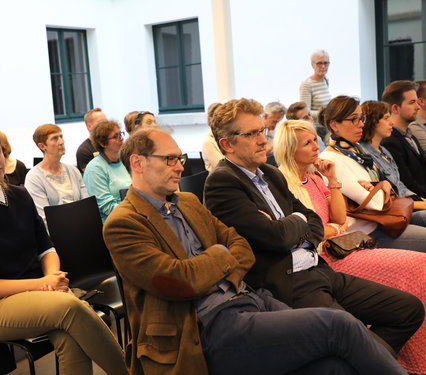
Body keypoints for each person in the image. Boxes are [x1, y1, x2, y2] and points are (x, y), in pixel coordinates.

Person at [103, 127, 409, 375]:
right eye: (169, 159)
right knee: (339, 326)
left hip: (251, 299)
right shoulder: (124, 223)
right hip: (202, 329)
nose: (180, 166)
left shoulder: (188, 203)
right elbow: (180, 281)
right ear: (138, 163)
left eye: (179, 157)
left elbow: (242, 249)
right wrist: (221, 255)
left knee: (335, 366)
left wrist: (215, 260)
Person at [204, 98, 423, 357]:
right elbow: (276, 237)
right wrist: (296, 222)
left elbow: (315, 221)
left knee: (409, 309)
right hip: (288, 281)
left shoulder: (269, 174)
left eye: (262, 131)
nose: (263, 140)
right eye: (251, 134)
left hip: (319, 268)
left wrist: (293, 222)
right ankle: (365, 357)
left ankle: (361, 359)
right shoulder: (222, 183)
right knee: (355, 338)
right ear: (226, 144)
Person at [274, 118, 426, 374]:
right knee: (419, 264)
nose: (316, 147)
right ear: (290, 151)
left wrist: (332, 180)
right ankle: (394, 362)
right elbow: (312, 233)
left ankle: (400, 358)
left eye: (313, 141)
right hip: (327, 258)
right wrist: (329, 229)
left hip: (344, 245)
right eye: (307, 144)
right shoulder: (285, 184)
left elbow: (339, 219)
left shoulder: (316, 176)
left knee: (422, 266)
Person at [0, 125, 126, 375]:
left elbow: (46, 248)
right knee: (71, 307)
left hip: (43, 294)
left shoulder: (20, 196)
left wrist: (49, 279)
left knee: (70, 339)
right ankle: (129, 371)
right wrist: (42, 284)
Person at [318, 95, 426, 263]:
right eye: (354, 119)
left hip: (386, 221)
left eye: (362, 118)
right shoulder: (332, 160)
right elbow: (375, 203)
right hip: (368, 233)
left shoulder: (355, 151)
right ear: (334, 125)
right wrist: (382, 187)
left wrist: (380, 186)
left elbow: (382, 192)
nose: (361, 123)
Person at [381, 80, 426, 198]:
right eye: (412, 102)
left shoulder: (410, 136)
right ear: (396, 108)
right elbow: (409, 186)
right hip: (419, 205)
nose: (418, 107)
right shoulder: (390, 142)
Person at [24, 124, 89, 227]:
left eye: (61, 137)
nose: (61, 142)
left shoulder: (73, 170)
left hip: (81, 227)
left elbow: (87, 206)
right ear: (42, 146)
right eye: (55, 138)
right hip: (56, 234)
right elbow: (44, 219)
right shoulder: (34, 178)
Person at [83, 119, 131, 223]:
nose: (122, 138)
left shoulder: (125, 161)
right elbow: (107, 206)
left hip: (132, 215)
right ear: (102, 143)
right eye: (116, 136)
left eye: (121, 134)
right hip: (114, 222)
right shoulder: (95, 169)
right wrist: (135, 214)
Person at [299, 49, 332, 140]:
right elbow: (305, 112)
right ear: (312, 65)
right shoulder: (307, 84)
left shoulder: (325, 80)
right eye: (319, 63)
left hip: (327, 125)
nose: (323, 66)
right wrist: (325, 113)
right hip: (317, 129)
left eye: (326, 63)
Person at [76, 108, 107, 172]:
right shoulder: (84, 150)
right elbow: (92, 175)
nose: (106, 125)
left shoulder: (111, 144)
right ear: (89, 126)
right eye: (101, 122)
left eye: (106, 122)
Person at [202, 102, 224, 172]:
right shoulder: (208, 141)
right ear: (210, 120)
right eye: (220, 117)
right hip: (220, 180)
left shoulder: (226, 136)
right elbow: (221, 167)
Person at [263, 101, 286, 166]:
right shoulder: (255, 131)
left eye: (278, 122)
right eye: (274, 122)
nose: (276, 125)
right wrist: (270, 147)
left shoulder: (273, 130)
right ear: (265, 116)